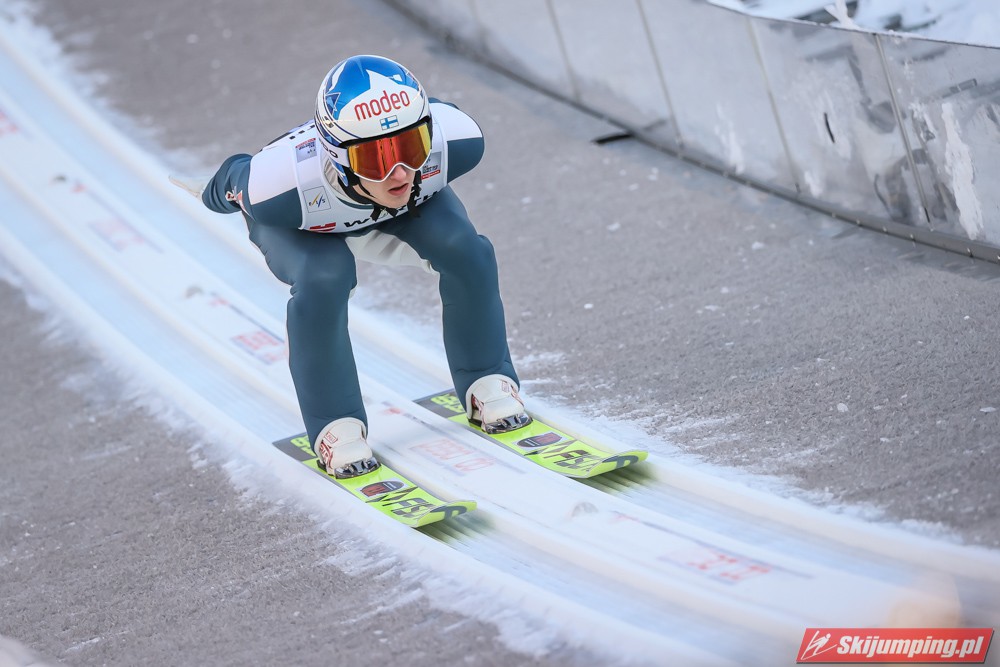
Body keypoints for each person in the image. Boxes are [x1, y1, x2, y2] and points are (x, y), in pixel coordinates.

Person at [171, 54, 530, 478]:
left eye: (412, 147)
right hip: (305, 222)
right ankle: (335, 426)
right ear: (338, 158)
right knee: (325, 277)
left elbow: (420, 137)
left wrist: (390, 163)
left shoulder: (457, 139)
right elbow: (235, 176)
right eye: (375, 159)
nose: (399, 172)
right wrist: (209, 193)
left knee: (466, 250)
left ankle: (486, 378)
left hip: (396, 209)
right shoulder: (274, 187)